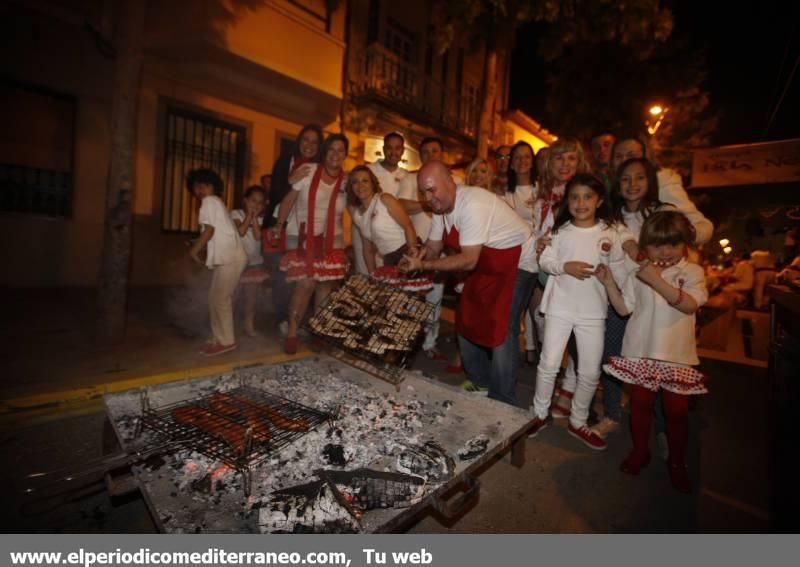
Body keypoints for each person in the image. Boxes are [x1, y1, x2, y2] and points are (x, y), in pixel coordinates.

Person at [399, 161, 537, 406]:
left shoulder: (472, 204)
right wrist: (418, 256)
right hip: (487, 262)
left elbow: (468, 260)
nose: (428, 198)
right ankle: (479, 381)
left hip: (518, 261)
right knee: (467, 317)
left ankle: (502, 399)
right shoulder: (441, 208)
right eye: (423, 192)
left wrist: (424, 267)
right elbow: (433, 247)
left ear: (450, 182)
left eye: (432, 190)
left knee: (503, 327)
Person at [597, 211, 709, 493]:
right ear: (645, 246)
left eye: (673, 243)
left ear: (684, 243)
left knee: (677, 412)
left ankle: (677, 462)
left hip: (676, 354)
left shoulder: (692, 271)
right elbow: (624, 309)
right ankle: (639, 452)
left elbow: (690, 305)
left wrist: (655, 279)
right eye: (657, 245)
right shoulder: (639, 273)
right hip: (640, 352)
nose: (666, 251)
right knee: (640, 406)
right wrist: (609, 282)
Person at [528, 174, 629, 450]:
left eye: (587, 196)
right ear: (567, 201)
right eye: (574, 197)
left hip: (594, 313)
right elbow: (546, 260)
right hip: (559, 309)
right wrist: (564, 266)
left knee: (589, 372)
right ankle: (538, 414)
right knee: (548, 364)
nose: (580, 202)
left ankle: (578, 420)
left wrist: (620, 291)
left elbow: (619, 269)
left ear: (599, 201)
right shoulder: (560, 232)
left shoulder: (609, 233)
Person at [591, 157, 665, 439]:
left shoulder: (662, 213)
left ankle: (659, 427)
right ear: (617, 185)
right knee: (612, 358)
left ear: (650, 181)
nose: (632, 184)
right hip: (618, 296)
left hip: (654, 299)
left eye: (640, 178)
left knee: (655, 362)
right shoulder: (611, 217)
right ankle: (611, 413)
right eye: (626, 179)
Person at [272, 133, 349, 354]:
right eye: (331, 149)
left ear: (345, 155)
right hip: (303, 236)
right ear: (325, 152)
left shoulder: (346, 181)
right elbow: (289, 199)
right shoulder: (308, 171)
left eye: (340, 150)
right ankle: (293, 331)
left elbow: (357, 206)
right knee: (305, 284)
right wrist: (278, 226)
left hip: (331, 241)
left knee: (325, 286)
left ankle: (318, 331)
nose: (335, 154)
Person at [532, 138, 591, 417]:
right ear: (548, 163)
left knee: (576, 333)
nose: (565, 164)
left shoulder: (583, 194)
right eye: (558, 158)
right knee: (548, 327)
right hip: (546, 269)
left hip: (574, 271)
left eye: (571, 158)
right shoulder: (543, 193)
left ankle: (570, 387)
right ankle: (554, 382)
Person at [264, 124, 324, 332]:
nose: (309, 145)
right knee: (281, 275)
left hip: (302, 228)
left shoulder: (319, 168)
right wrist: (291, 181)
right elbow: (273, 195)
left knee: (300, 276)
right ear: (299, 141)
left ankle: (293, 320)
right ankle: (282, 318)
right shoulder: (286, 161)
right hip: (278, 225)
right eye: (305, 140)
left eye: (314, 142)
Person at [397, 137, 453, 360]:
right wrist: (428, 201)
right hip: (415, 247)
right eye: (426, 152)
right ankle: (407, 340)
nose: (430, 155)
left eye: (435, 151)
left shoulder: (452, 179)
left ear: (441, 154)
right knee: (410, 298)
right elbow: (400, 205)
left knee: (434, 299)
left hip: (440, 251)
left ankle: (430, 342)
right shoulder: (411, 179)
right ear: (420, 156)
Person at [186, 169, 248, 356]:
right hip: (229, 257)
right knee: (214, 298)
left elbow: (209, 231)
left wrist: (193, 250)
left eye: (205, 185)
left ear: (214, 187)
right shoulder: (216, 203)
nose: (201, 189)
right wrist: (197, 245)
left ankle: (227, 341)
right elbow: (215, 233)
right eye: (197, 186)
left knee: (220, 300)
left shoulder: (209, 201)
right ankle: (216, 338)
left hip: (231, 258)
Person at [610, 135, 714, 244]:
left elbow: (701, 226)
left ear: (646, 157)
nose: (624, 160)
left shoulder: (663, 183)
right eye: (618, 156)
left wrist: (676, 239)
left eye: (631, 155)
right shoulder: (614, 190)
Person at [346, 165, 430, 292]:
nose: (360, 185)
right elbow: (367, 249)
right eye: (355, 182)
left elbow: (408, 225)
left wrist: (412, 252)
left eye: (365, 180)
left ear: (373, 183)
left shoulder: (384, 199)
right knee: (393, 303)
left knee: (413, 303)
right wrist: (373, 275)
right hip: (388, 259)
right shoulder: (358, 215)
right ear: (351, 187)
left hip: (407, 251)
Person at [352, 132, 409, 275]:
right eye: (389, 148)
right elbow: (354, 199)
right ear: (383, 149)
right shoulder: (369, 170)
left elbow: (407, 223)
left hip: (398, 242)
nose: (393, 152)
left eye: (397, 148)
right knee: (370, 276)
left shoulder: (407, 175)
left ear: (403, 151)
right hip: (372, 238)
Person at [231, 185, 269, 337]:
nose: (256, 205)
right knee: (233, 297)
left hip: (254, 264)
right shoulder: (235, 214)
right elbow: (240, 231)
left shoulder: (262, 220)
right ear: (245, 200)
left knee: (251, 300)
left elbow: (259, 237)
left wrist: (254, 219)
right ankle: (227, 327)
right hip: (237, 263)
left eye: (260, 202)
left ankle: (249, 326)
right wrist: (249, 217)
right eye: (253, 201)